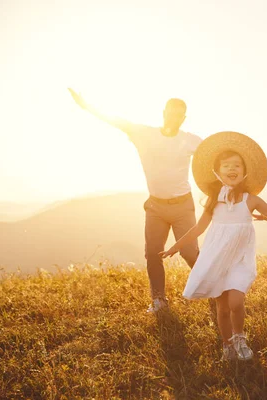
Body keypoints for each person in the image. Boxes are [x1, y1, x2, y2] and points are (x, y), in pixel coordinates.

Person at [160, 131, 267, 361]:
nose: (232, 169)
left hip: (240, 260)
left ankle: (239, 338)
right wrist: (174, 247)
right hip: (216, 259)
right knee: (222, 307)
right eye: (226, 165)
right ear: (217, 172)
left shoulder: (250, 199)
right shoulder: (214, 201)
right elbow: (198, 229)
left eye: (237, 165)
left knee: (236, 301)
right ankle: (227, 346)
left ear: (244, 172)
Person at [68, 89, 202, 313]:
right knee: (153, 253)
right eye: (170, 113)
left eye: (179, 115)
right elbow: (116, 121)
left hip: (182, 206)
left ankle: (212, 289)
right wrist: (86, 106)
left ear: (184, 118)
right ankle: (159, 300)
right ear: (163, 113)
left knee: (189, 253)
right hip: (156, 207)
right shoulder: (145, 134)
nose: (174, 118)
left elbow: (215, 156)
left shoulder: (191, 140)